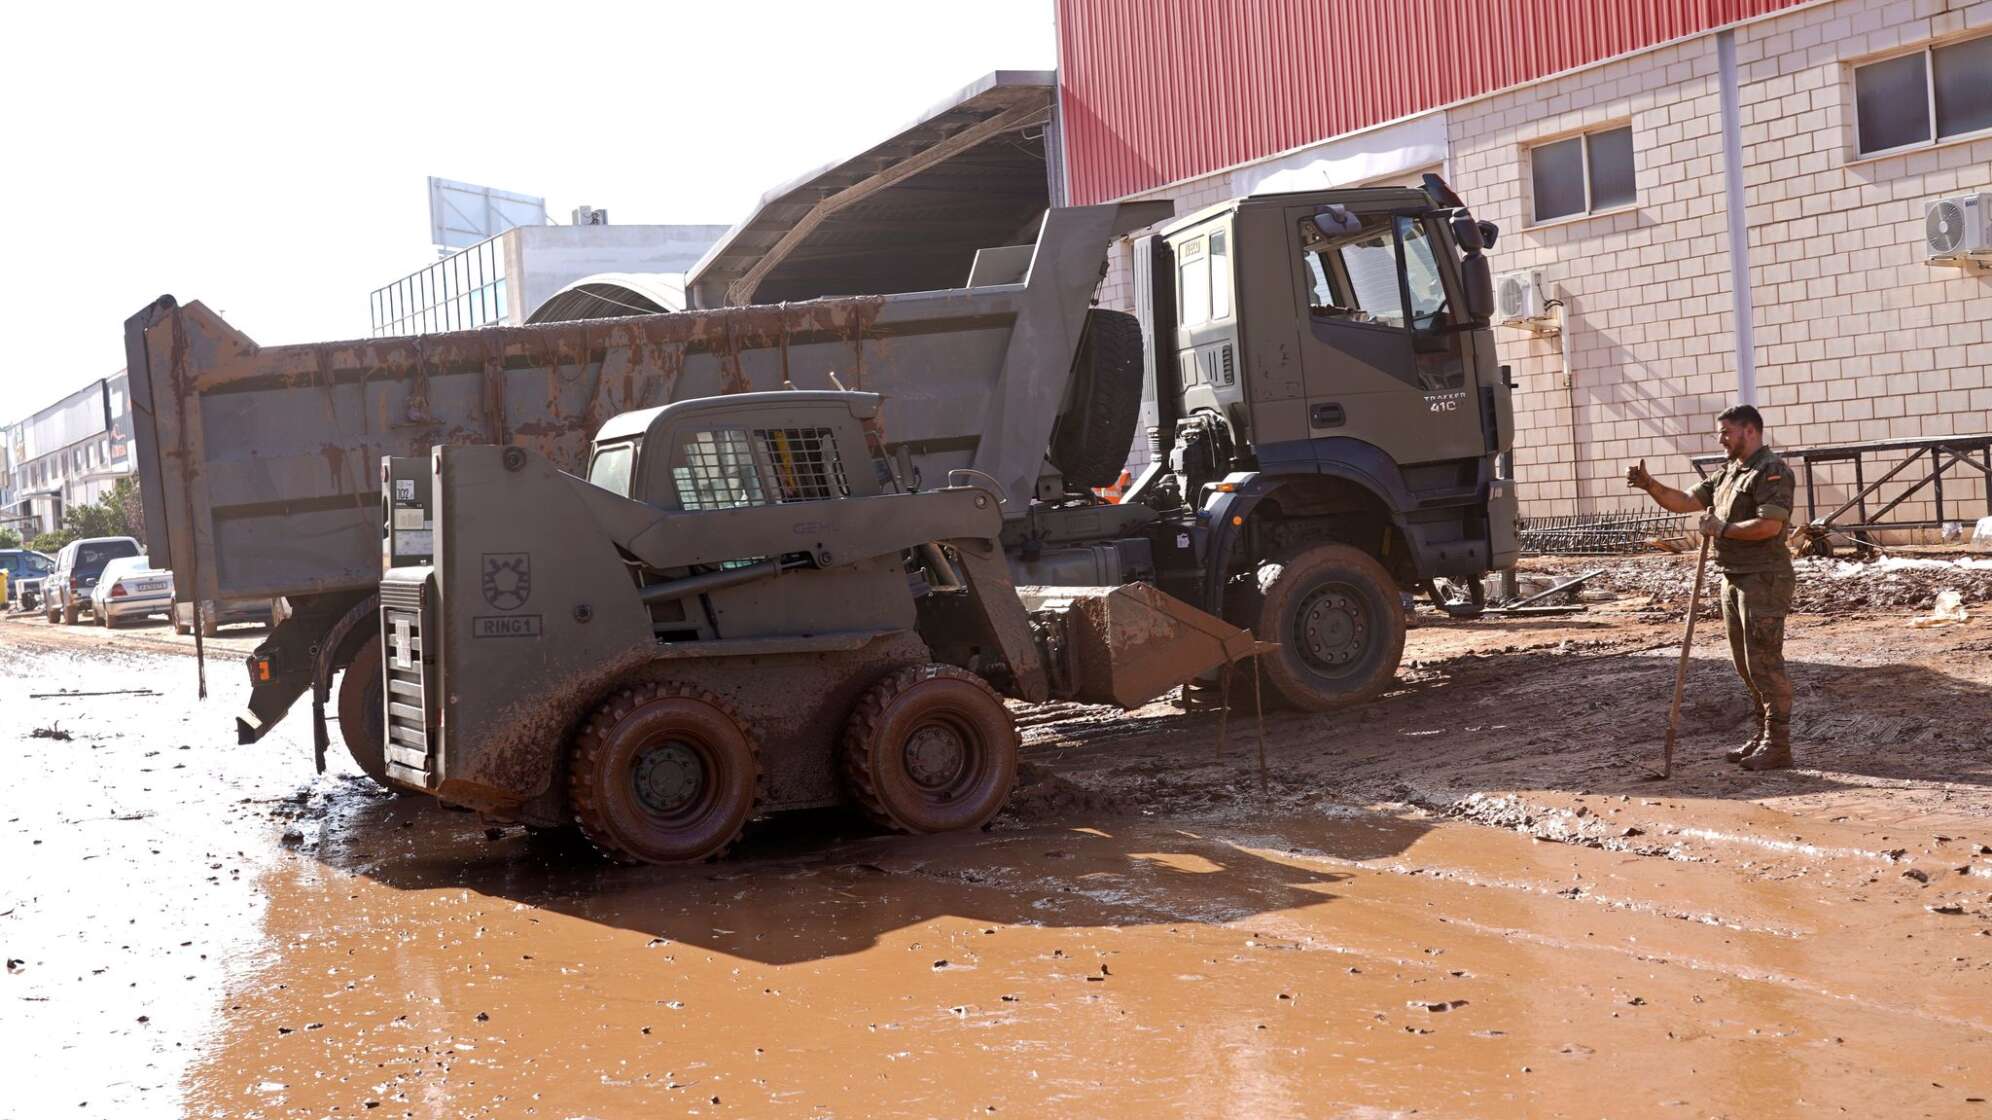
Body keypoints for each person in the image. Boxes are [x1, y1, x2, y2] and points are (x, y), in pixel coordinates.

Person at [1625, 405, 1797, 770]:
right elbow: (1686, 502)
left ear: (1750, 431)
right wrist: (1649, 484)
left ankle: (1778, 745)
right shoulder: (1727, 474)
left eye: (1727, 431)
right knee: (1745, 665)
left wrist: (1723, 530)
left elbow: (1769, 526)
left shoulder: (1771, 472)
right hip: (1733, 576)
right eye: (1720, 432)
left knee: (1765, 663)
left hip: (1763, 578)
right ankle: (1761, 733)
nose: (1721, 438)